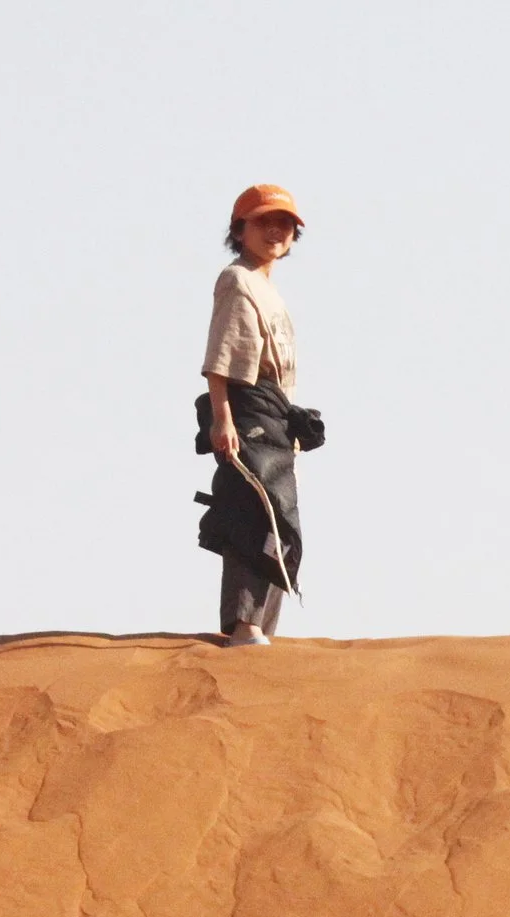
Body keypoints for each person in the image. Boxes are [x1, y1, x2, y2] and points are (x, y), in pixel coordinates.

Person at [198, 184, 308, 646]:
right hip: (247, 412)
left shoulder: (267, 288)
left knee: (279, 516)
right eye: (264, 222)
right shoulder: (237, 280)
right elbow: (221, 357)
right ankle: (244, 626)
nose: (275, 231)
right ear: (239, 229)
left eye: (283, 224)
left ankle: (263, 627)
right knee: (251, 511)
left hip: (275, 414)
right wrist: (223, 419)